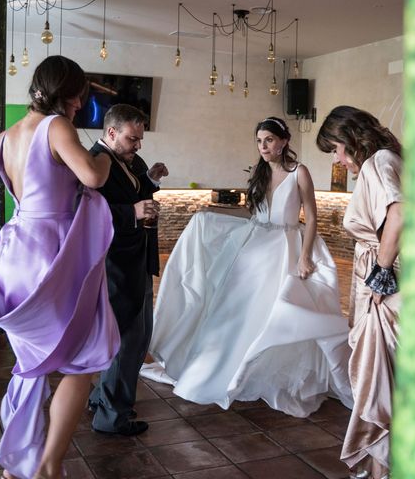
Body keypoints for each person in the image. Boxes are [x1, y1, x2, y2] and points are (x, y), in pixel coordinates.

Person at [142, 117, 353, 416]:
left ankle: (262, 371)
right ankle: (219, 369)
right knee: (234, 308)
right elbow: (253, 211)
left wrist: (305, 256)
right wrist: (211, 213)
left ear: (284, 141)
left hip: (284, 246)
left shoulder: (299, 172)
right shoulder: (260, 171)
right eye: (259, 141)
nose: (263, 146)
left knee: (276, 311)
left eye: (268, 140)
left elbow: (313, 218)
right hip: (254, 244)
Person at [0, 55, 120, 479]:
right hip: (52, 256)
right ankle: (48, 464)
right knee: (84, 359)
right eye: (80, 96)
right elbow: (92, 178)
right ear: (70, 92)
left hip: (15, 252)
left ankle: (19, 459)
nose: (81, 104)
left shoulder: (14, 132)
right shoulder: (57, 126)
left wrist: (6, 145)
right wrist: (107, 156)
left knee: (32, 360)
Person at [316, 105, 403, 479]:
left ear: (351, 138)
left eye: (336, 148)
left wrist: (382, 274)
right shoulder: (391, 157)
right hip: (385, 276)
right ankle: (381, 462)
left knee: (380, 373)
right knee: (385, 373)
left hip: (389, 284)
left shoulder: (378, 161)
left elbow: (400, 215)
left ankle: (382, 466)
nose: (337, 159)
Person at [88, 104, 169, 436]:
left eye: (140, 138)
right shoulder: (98, 162)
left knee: (132, 336)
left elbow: (134, 194)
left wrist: (150, 183)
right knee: (129, 340)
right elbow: (90, 213)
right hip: (117, 263)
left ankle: (100, 399)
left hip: (136, 257)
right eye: (133, 139)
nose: (138, 145)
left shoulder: (127, 162)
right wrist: (131, 213)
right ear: (111, 133)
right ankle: (112, 416)